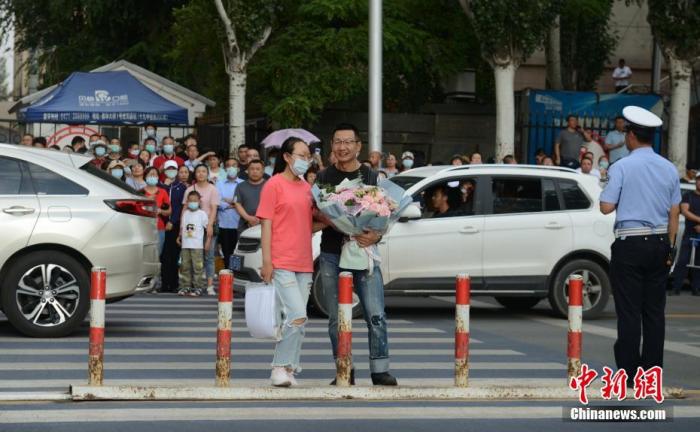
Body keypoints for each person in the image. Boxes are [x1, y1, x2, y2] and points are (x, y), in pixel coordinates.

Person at [599, 105, 680, 383]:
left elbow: (606, 207)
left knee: (629, 312)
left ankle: (629, 373)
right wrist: (670, 247)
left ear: (631, 135)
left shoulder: (621, 166)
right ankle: (652, 373)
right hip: (660, 243)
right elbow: (674, 213)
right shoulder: (669, 168)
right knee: (655, 312)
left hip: (630, 244)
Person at [315, 123, 397, 386]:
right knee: (335, 318)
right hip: (331, 253)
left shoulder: (371, 176)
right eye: (338, 142)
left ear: (358, 146)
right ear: (332, 146)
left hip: (364, 252)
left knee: (375, 314)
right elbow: (314, 218)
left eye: (348, 142)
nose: (342, 147)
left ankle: (380, 369)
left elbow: (384, 213)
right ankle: (344, 370)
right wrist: (333, 219)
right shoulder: (323, 178)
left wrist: (376, 235)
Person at [257, 137, 323, 387]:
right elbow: (266, 224)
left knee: (300, 318)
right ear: (286, 157)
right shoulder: (273, 185)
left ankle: (290, 368)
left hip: (304, 260)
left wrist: (336, 218)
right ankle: (277, 368)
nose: (306, 160)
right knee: (296, 314)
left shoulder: (307, 187)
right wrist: (267, 261)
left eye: (309, 156)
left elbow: (308, 225)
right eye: (302, 155)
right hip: (281, 259)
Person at [183, 164, 220, 295]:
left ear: (207, 174)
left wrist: (209, 225)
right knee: (191, 257)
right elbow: (185, 208)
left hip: (208, 224)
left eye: (204, 171)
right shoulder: (189, 189)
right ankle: (191, 284)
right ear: (195, 174)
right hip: (192, 227)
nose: (201, 174)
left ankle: (209, 286)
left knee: (209, 256)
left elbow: (214, 208)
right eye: (198, 171)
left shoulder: (213, 189)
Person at [161, 164, 190, 293]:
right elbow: (162, 201)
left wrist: (172, 221)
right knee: (164, 255)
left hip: (175, 224)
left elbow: (180, 207)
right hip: (162, 223)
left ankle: (173, 283)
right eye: (168, 169)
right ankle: (164, 283)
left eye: (173, 169)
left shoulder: (181, 187)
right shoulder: (161, 186)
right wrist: (166, 186)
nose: (171, 172)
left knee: (174, 255)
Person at [177, 191, 212, 297]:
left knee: (198, 267)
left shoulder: (202, 214)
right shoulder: (185, 213)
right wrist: (179, 237)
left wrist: (208, 242)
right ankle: (185, 286)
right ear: (187, 202)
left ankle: (198, 287)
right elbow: (183, 227)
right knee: (185, 267)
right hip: (185, 245)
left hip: (197, 246)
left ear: (199, 201)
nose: (192, 202)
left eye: (195, 201)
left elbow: (209, 230)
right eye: (190, 201)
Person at [671, 172, 700, 296]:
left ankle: (696, 289)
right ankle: (676, 288)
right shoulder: (688, 196)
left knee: (698, 263)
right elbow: (684, 210)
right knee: (682, 261)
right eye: (699, 180)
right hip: (689, 233)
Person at [217, 158, 244, 270]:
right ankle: (228, 275)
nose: (231, 168)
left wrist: (230, 202)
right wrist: (234, 204)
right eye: (228, 165)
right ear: (225, 169)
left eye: (234, 165)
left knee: (238, 252)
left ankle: (237, 275)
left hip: (240, 224)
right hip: (224, 223)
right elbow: (218, 201)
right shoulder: (219, 183)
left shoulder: (243, 184)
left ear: (238, 168)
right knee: (226, 252)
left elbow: (244, 202)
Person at [143, 166, 172, 259]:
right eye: (150, 174)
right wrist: (146, 200)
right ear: (145, 176)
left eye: (155, 174)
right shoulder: (139, 192)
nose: (153, 176)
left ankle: (155, 274)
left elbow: (169, 211)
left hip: (159, 227)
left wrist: (160, 211)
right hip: (143, 227)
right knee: (144, 255)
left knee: (157, 255)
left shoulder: (162, 192)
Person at [234, 159, 266, 234]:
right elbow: (237, 204)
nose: (255, 171)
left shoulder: (269, 185)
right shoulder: (240, 186)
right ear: (247, 170)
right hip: (244, 226)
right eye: (252, 169)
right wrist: (248, 218)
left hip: (265, 226)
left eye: (258, 169)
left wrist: (261, 219)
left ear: (263, 171)